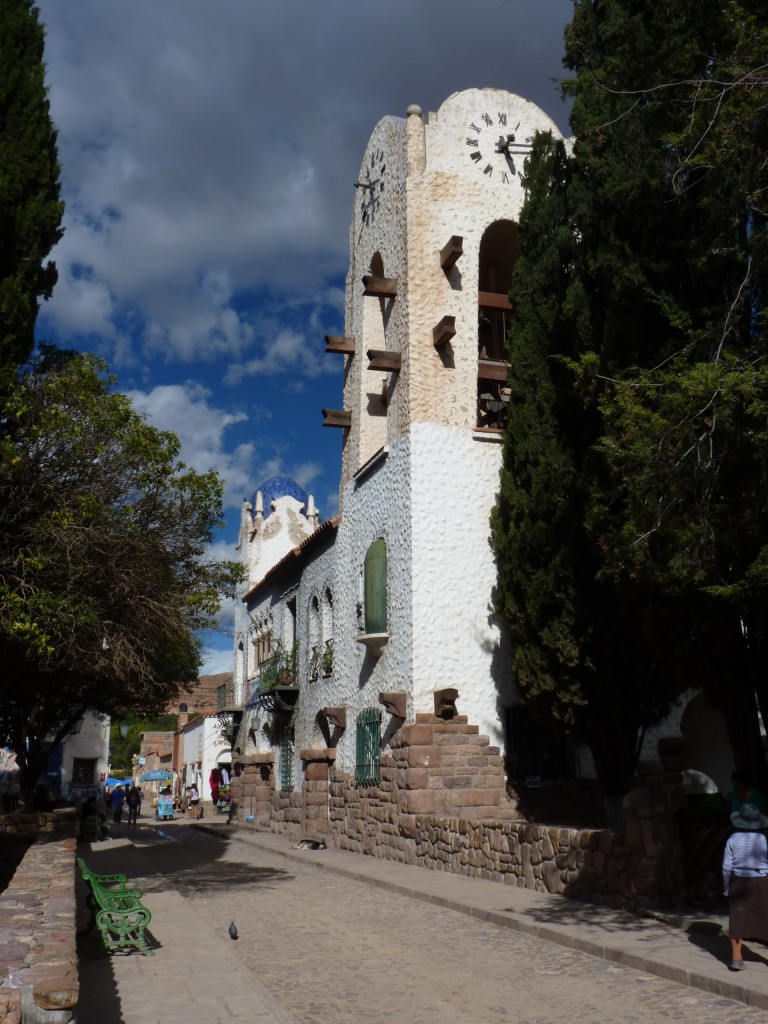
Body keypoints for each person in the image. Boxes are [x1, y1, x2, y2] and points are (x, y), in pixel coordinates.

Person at [722, 802, 768, 970]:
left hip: (738, 881)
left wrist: (727, 887)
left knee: (737, 917)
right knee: (765, 915)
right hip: (760, 881)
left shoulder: (732, 839)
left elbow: (726, 866)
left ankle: (736, 957)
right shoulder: (762, 839)